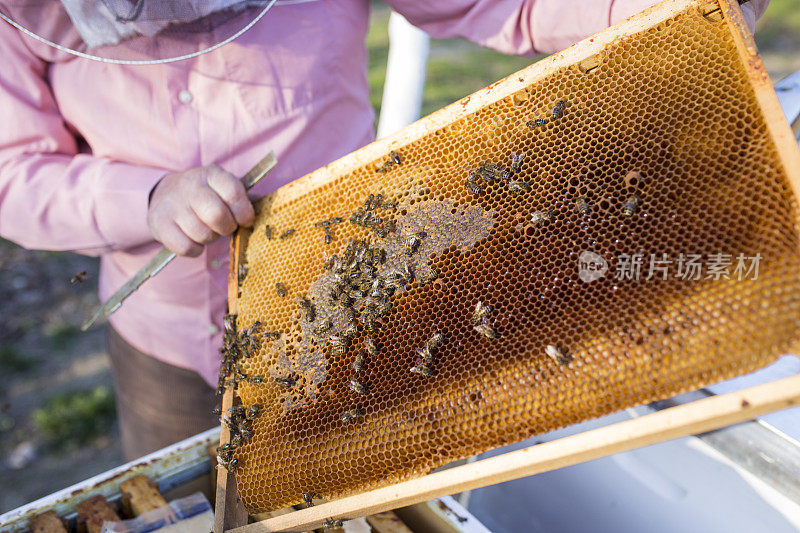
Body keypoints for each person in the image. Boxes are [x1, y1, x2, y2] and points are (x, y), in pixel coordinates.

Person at [0, 0, 768, 461]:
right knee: (182, 498)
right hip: (162, 338)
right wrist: (148, 198)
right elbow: (13, 171)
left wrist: (652, 7)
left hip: (346, 312)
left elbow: (507, 3)